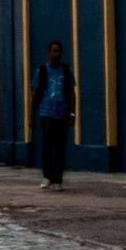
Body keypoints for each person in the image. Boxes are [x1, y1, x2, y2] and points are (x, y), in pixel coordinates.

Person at [32, 39, 75, 189]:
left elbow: (71, 93)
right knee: (47, 145)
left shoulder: (66, 71)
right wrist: (31, 114)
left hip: (62, 113)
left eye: (59, 51)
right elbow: (36, 93)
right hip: (47, 112)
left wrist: (72, 113)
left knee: (60, 147)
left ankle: (58, 179)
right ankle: (47, 176)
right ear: (49, 53)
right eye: (54, 51)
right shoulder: (42, 71)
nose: (57, 54)